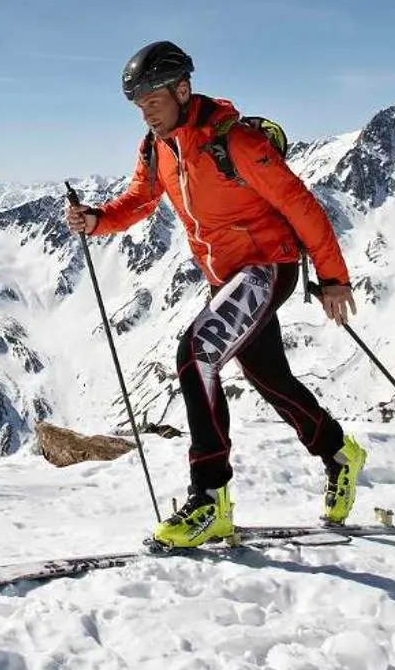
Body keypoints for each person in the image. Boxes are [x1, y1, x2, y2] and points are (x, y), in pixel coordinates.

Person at [66, 40, 367, 548]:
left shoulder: (237, 143)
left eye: (154, 103)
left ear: (183, 90)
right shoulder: (157, 147)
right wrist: (97, 220)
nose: (148, 116)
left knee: (196, 354)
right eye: (139, 108)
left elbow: (303, 208)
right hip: (225, 277)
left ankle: (210, 500)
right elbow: (140, 199)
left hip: (267, 267)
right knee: (268, 376)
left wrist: (333, 279)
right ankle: (339, 452)